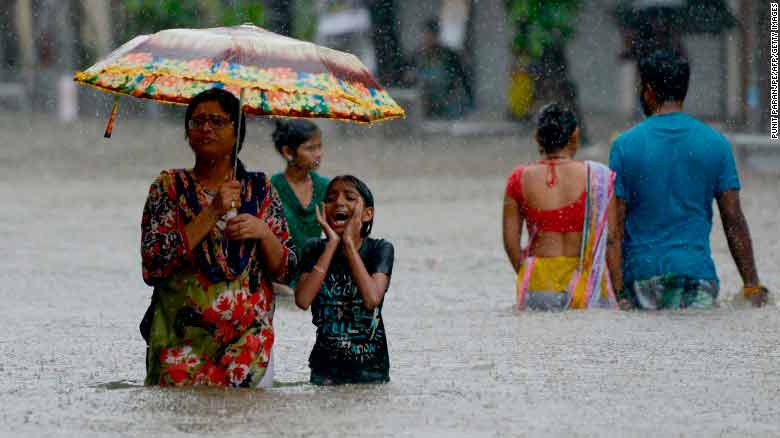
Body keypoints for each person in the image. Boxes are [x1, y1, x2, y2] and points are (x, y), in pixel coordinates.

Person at [140, 88, 297, 387]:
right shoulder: (169, 187)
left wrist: (263, 233)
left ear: (237, 132)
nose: (205, 129)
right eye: (197, 122)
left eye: (216, 121)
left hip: (249, 345)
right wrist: (212, 211)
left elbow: (286, 270)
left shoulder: (260, 189)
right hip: (180, 342)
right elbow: (153, 264)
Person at [609, 50, 769, 310]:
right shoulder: (716, 144)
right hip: (697, 276)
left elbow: (614, 232)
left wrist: (618, 296)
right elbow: (734, 220)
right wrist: (751, 285)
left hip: (641, 278)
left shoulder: (624, 146)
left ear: (648, 91)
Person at [503, 104, 621, 310]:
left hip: (539, 284)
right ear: (575, 135)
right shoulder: (598, 177)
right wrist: (619, 290)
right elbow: (611, 239)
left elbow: (510, 242)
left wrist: (527, 274)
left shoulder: (519, 178)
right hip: (587, 285)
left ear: (537, 137)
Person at [294, 176, 394, 384]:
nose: (339, 202)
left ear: (367, 214)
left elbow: (372, 298)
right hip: (324, 370)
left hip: (371, 370)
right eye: (331, 198)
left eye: (349, 197)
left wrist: (348, 243)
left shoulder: (379, 249)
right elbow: (303, 300)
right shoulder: (314, 249)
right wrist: (331, 245)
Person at [269, 120, 329, 287]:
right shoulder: (271, 188)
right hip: (280, 281)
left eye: (319, 146)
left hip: (311, 279)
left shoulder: (325, 187)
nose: (318, 154)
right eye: (310, 148)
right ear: (288, 152)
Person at [409, 18, 471, 119]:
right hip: (425, 106)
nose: (427, 38)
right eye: (425, 35)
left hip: (446, 104)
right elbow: (408, 78)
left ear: (436, 36)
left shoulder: (448, 55)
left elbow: (461, 78)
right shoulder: (417, 56)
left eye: (430, 35)